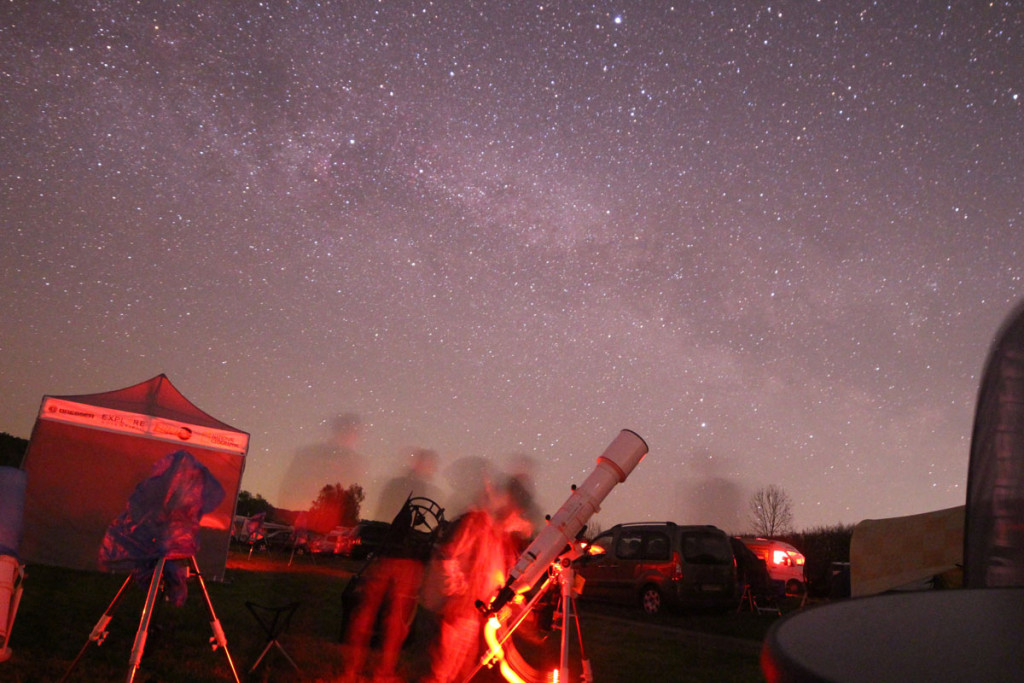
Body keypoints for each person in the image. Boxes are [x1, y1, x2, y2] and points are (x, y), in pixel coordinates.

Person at [340, 448, 442, 683]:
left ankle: (351, 671)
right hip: (405, 561)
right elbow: (413, 527)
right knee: (396, 617)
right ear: (422, 464)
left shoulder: (395, 486)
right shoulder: (416, 489)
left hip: (385, 556)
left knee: (367, 610)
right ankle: (383, 672)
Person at [422, 482, 533, 683]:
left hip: (474, 616)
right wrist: (458, 587)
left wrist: (521, 608)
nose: (518, 518)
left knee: (463, 672)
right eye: (516, 511)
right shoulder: (478, 522)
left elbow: (504, 580)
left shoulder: (502, 538)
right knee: (444, 673)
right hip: (460, 612)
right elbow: (448, 554)